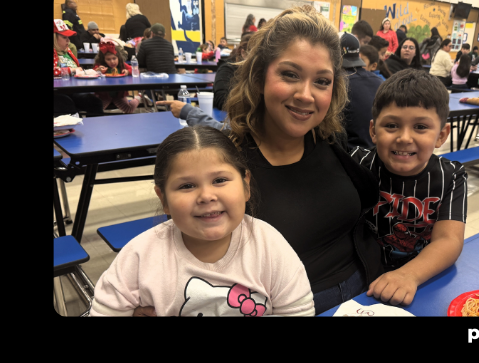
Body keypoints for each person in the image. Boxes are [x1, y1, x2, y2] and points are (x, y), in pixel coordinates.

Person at [146, 5, 386, 315]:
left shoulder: (330, 142)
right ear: (259, 76)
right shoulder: (226, 167)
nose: (305, 94)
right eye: (290, 74)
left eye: (322, 81)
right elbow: (181, 257)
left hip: (370, 295)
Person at [90, 126, 316, 316]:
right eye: (186, 185)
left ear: (246, 185)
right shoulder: (140, 256)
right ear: (164, 199)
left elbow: (298, 311)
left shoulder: (269, 245)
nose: (207, 196)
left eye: (219, 180)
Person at [349, 69, 467, 306]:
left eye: (420, 127)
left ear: (441, 135)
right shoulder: (356, 163)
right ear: (373, 130)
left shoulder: (451, 176)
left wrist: (409, 275)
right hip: (361, 277)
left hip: (422, 278)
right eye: (391, 125)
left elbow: (449, 240)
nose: (404, 137)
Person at [341, 33, 384, 149]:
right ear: (358, 55)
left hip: (347, 157)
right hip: (376, 156)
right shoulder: (380, 82)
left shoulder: (337, 84)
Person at [54, 19, 103, 115]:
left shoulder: (68, 51)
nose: (68, 40)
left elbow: (78, 70)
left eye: (68, 37)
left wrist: (91, 71)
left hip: (73, 89)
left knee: (95, 102)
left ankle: (92, 128)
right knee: (66, 104)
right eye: (64, 37)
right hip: (58, 92)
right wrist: (71, 70)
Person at [92, 40, 141, 113]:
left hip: (119, 95)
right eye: (108, 59)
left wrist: (128, 71)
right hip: (105, 95)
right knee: (97, 111)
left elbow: (136, 71)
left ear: (118, 58)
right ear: (104, 60)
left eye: (114, 58)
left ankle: (139, 97)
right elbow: (92, 73)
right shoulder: (100, 66)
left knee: (129, 109)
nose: (112, 62)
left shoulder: (122, 65)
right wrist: (98, 71)